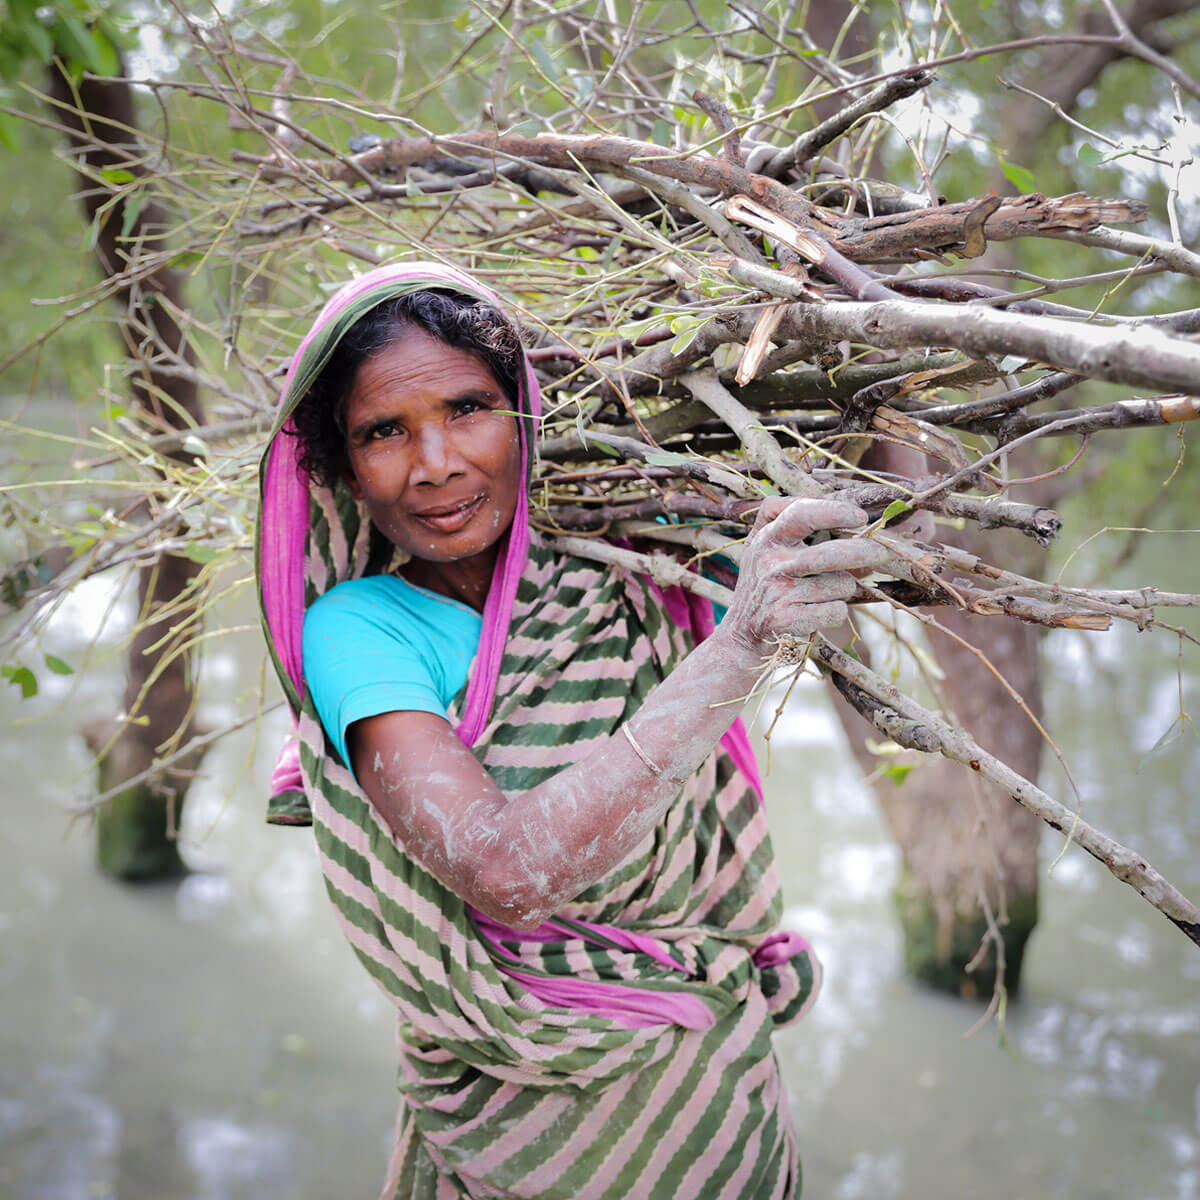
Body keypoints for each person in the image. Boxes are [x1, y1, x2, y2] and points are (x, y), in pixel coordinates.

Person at [257, 262, 887, 1199]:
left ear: (526, 411)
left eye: (467, 408)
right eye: (384, 431)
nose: (434, 464)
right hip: (510, 1138)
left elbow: (877, 495)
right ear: (344, 465)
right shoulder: (361, 630)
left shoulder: (643, 564)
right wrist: (738, 647)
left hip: (716, 1111)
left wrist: (870, 326)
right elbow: (505, 872)